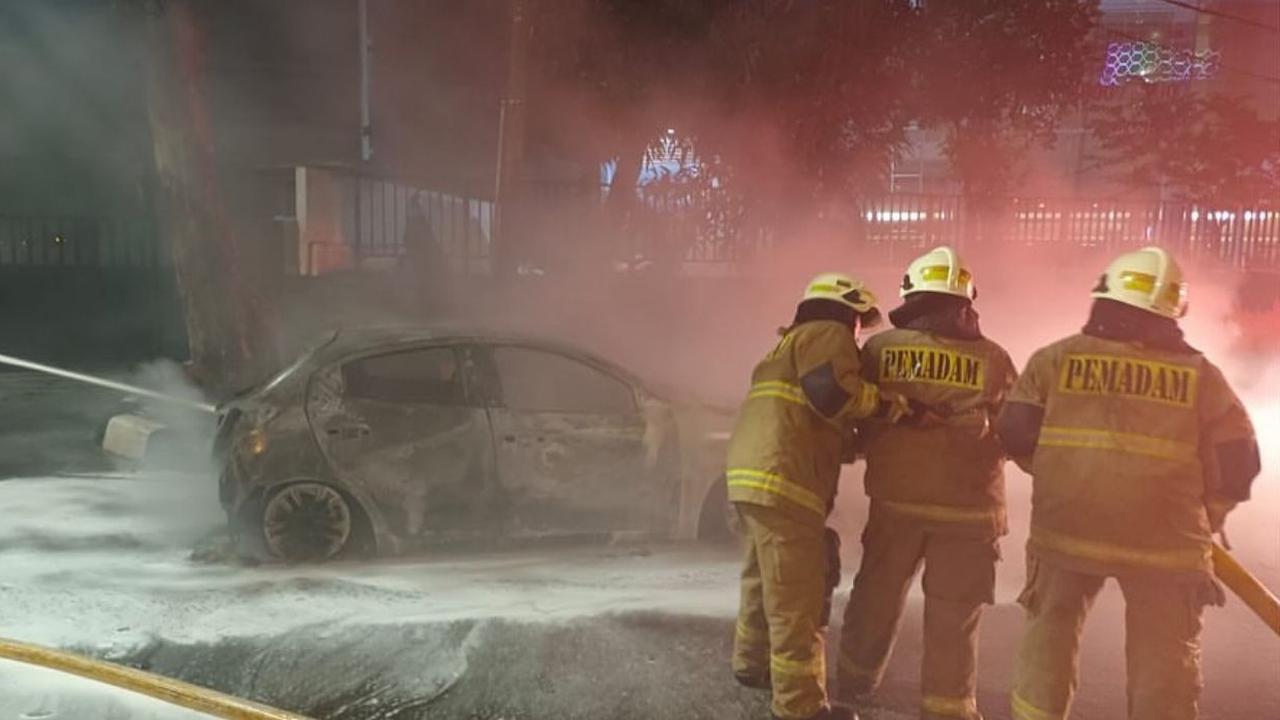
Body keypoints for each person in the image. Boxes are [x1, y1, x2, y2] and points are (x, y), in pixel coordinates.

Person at [996, 246, 1260, 720]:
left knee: (1048, 640)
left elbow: (1013, 433)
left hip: (1066, 535)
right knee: (1164, 661)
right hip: (1167, 545)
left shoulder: (1054, 360)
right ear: (1174, 309)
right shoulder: (1201, 376)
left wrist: (1066, 472)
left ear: (1104, 295)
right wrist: (1210, 513)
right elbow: (1240, 463)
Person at [835, 246, 1017, 720]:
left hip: (897, 503)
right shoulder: (994, 359)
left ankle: (855, 683)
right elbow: (1018, 433)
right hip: (970, 512)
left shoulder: (879, 350)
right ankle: (949, 709)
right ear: (966, 302)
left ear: (911, 294)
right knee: (955, 613)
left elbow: (858, 414)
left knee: (876, 595)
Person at [729, 272, 914, 720]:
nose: (857, 333)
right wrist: (892, 406)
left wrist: (848, 443)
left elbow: (808, 413)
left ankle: (751, 664)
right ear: (846, 310)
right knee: (799, 597)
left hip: (751, 476)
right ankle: (800, 706)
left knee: (761, 578)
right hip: (786, 479)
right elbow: (832, 394)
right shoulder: (828, 334)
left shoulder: (787, 344)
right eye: (858, 322)